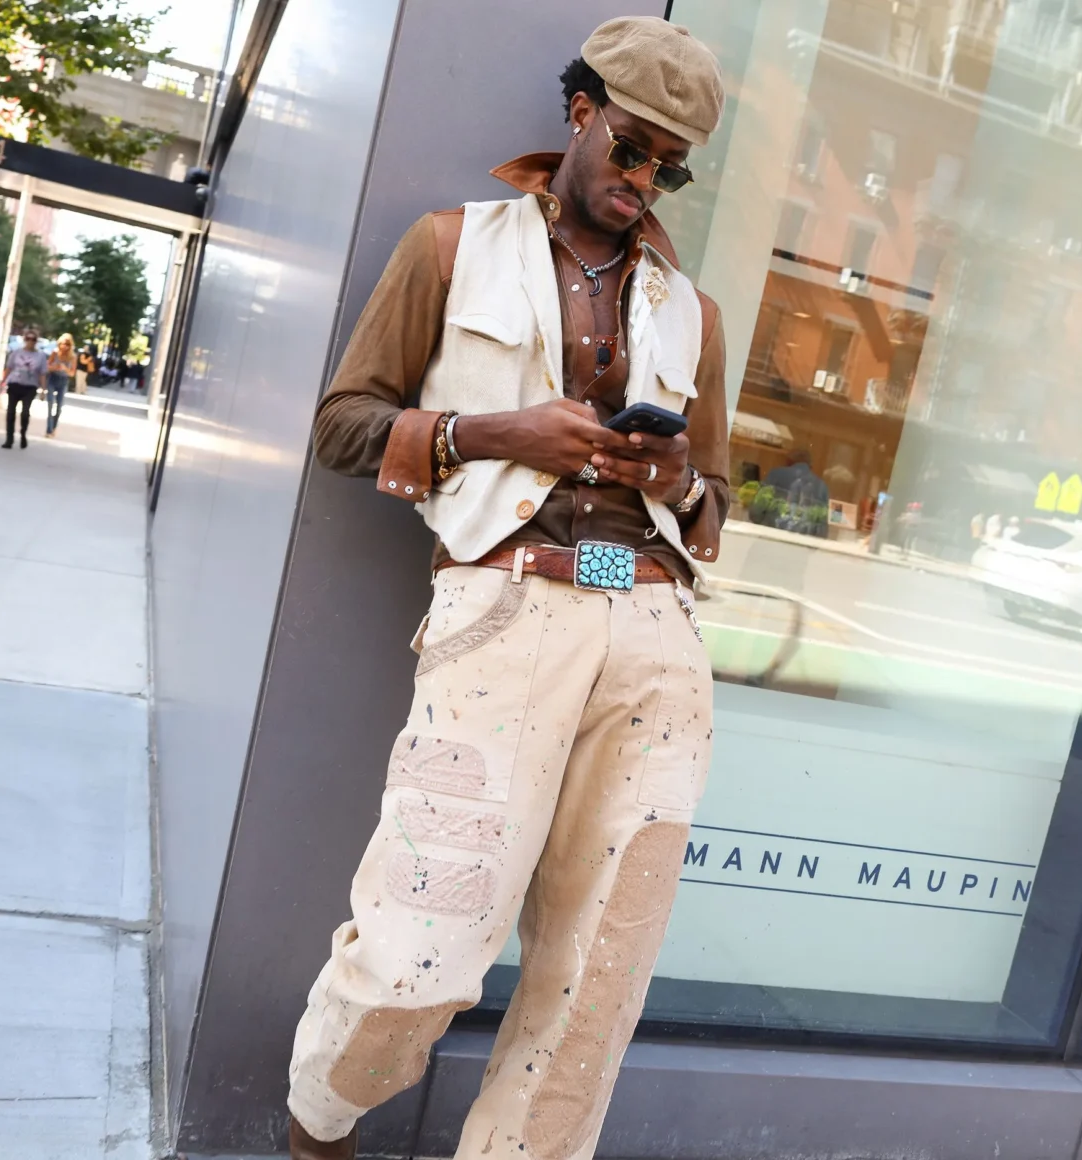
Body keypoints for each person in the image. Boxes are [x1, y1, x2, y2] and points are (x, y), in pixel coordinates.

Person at [287, 18, 728, 1160]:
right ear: (580, 113)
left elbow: (714, 509)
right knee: (418, 950)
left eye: (671, 167)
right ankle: (317, 1131)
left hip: (655, 633)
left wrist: (679, 477)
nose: (646, 181)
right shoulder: (451, 245)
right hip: (504, 610)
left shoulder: (694, 313)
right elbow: (342, 426)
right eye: (631, 148)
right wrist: (497, 433)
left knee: (597, 978)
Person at [1, 328, 47, 449]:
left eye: (33, 339)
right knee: (10, 412)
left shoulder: (40, 356)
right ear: (24, 339)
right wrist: (2, 382)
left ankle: (23, 434)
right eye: (28, 338)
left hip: (30, 387)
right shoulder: (16, 353)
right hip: (15, 384)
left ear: (36, 341)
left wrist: (43, 390)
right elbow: (9, 368)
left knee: (25, 413)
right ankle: (9, 439)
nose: (30, 341)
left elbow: (42, 373)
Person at [45, 333, 76, 436]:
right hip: (52, 378)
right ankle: (49, 430)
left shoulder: (72, 357)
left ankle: (54, 427)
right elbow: (47, 366)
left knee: (59, 406)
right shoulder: (55, 353)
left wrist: (65, 368)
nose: (64, 346)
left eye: (67, 344)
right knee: (50, 404)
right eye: (63, 344)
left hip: (63, 380)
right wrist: (54, 367)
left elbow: (72, 373)